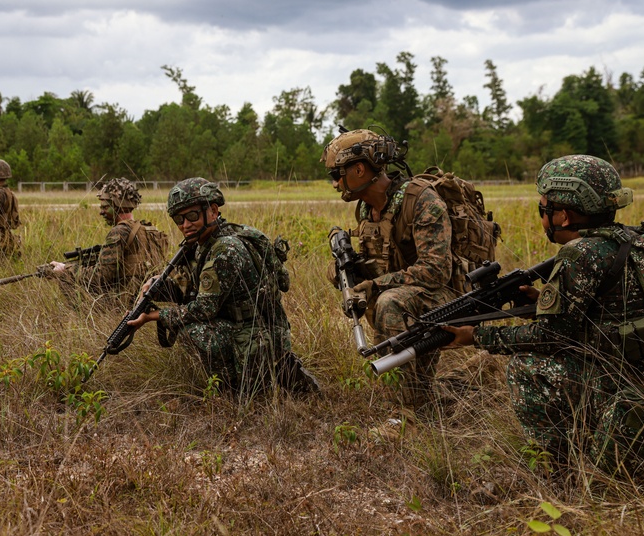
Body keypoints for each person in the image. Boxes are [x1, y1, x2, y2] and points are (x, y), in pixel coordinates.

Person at [445, 155, 644, 478]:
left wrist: (476, 336)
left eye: (543, 209)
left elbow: (551, 338)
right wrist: (543, 305)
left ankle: (560, 469)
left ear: (563, 216)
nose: (543, 217)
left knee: (526, 368)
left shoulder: (582, 254)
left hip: (638, 395)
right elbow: (616, 319)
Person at [126, 177, 318, 397]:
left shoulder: (225, 249)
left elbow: (203, 309)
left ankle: (238, 387)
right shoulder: (205, 242)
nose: (185, 225)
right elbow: (191, 288)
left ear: (213, 210)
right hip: (249, 327)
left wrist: (156, 316)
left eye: (192, 216)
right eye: (179, 219)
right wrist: (161, 286)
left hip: (257, 334)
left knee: (192, 331)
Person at [323, 128, 453, 409]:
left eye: (336, 175)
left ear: (359, 169)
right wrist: (348, 273)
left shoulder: (422, 201)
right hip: (409, 297)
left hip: (447, 298)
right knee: (386, 300)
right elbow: (381, 263)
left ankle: (404, 414)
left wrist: (378, 285)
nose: (334, 184)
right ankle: (414, 396)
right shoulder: (367, 209)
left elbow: (436, 271)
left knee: (388, 301)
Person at [47, 178, 169, 302]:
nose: (101, 212)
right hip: (150, 296)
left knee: (65, 277)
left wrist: (66, 269)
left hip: (126, 299)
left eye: (105, 207)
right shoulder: (149, 229)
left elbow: (101, 276)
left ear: (117, 205)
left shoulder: (119, 231)